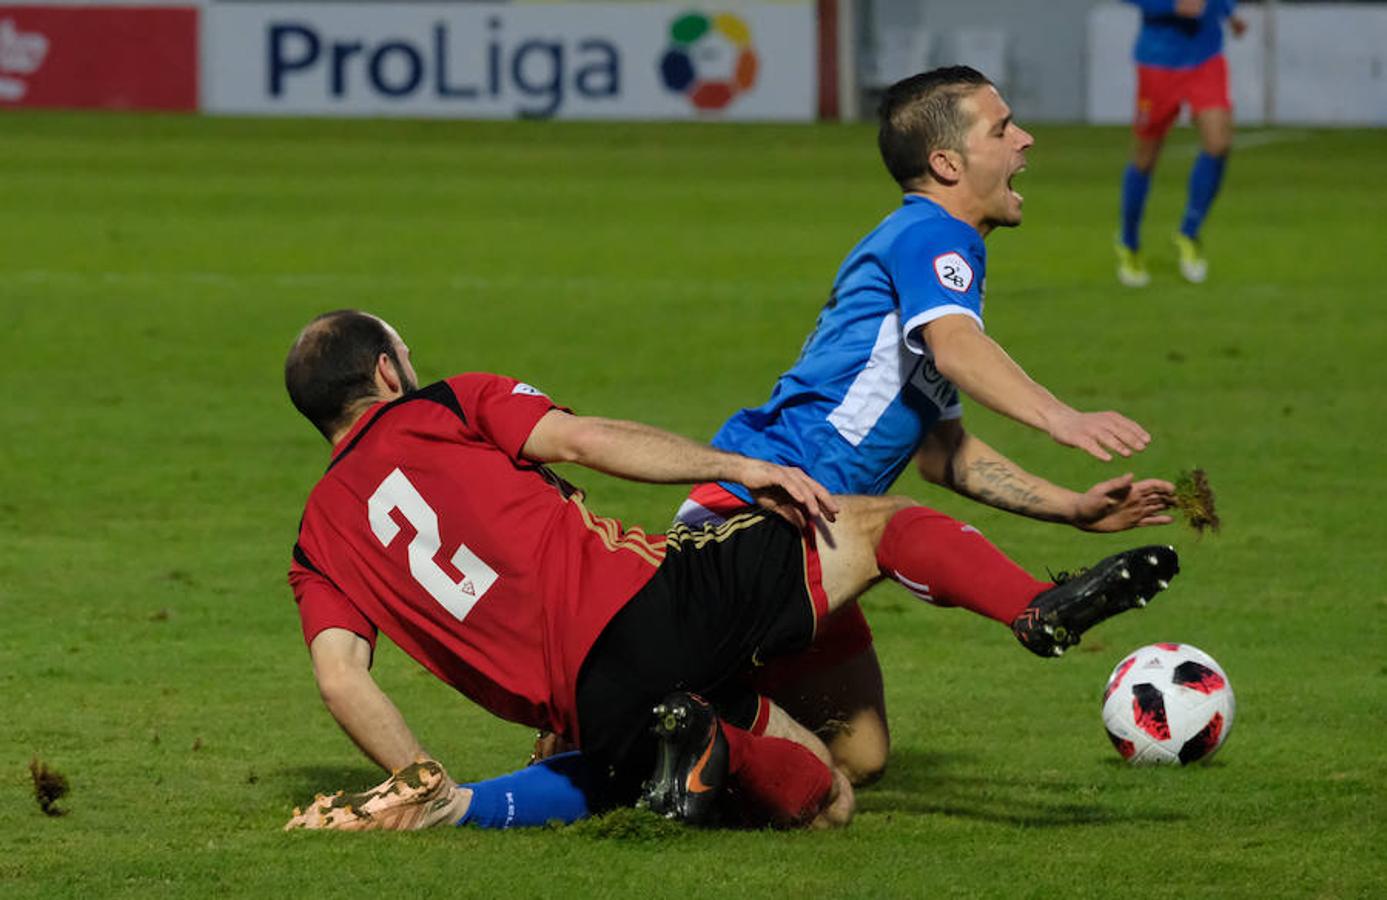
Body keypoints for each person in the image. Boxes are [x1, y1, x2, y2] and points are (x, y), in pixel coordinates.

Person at [279, 310, 1180, 832]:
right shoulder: (446, 403)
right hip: (652, 600)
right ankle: (1032, 607)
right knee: (870, 524)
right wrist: (739, 467)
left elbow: (339, 677)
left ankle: (701, 743)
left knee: (828, 796)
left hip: (594, 707)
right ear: (389, 371)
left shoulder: (316, 540)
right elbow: (587, 442)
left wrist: (419, 777)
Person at [1115, 0, 1247, 286]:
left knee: (1219, 143)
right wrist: (1170, 6)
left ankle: (1189, 233)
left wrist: (1229, 11)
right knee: (1146, 158)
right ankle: (1129, 243)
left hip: (1206, 55)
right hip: (1158, 62)